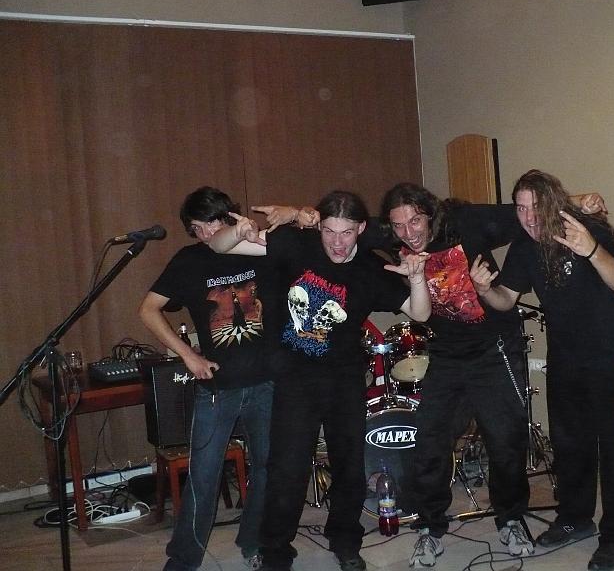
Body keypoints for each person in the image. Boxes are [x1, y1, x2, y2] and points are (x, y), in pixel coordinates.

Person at [370, 183, 607, 568]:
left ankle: (510, 519)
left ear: (430, 214)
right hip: (445, 353)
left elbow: (521, 213)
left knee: (505, 440)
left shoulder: (465, 221)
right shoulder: (392, 236)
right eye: (398, 225)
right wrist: (302, 216)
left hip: (494, 349)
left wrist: (579, 201)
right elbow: (344, 227)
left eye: (415, 221)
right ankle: (430, 526)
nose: (408, 232)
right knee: (430, 439)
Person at [209, 190, 431, 571]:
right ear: (319, 227)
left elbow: (420, 313)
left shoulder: (371, 269)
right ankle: (276, 551)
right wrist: (238, 231)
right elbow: (218, 245)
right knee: (287, 469)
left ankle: (345, 539)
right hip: (296, 378)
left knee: (349, 467)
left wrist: (417, 277)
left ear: (361, 229)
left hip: (345, 379)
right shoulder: (298, 244)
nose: (337, 243)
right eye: (329, 231)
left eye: (346, 233)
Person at [469, 170, 614, 571]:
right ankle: (575, 519)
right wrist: (483, 290)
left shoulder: (586, 228)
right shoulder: (523, 248)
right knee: (570, 445)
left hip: (609, 354)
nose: (528, 217)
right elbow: (506, 299)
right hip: (565, 358)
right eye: (520, 208)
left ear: (552, 204)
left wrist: (592, 250)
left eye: (534, 207)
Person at [139, 186, 285, 571]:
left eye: (211, 224)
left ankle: (253, 540)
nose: (205, 234)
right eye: (197, 228)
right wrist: (187, 355)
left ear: (228, 217)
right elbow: (148, 309)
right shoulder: (188, 261)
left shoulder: (256, 250)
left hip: (267, 383)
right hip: (218, 389)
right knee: (203, 477)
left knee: (268, 469)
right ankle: (183, 560)